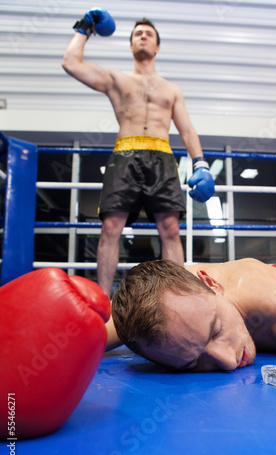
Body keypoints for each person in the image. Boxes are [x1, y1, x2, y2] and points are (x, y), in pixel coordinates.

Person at [62, 8, 214, 299]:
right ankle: (103, 304)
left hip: (162, 157)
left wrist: (201, 165)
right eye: (137, 34)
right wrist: (85, 28)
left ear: (157, 47)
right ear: (131, 44)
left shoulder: (171, 89)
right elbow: (70, 62)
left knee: (170, 229)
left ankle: (176, 301)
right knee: (110, 228)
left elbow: (187, 131)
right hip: (125, 155)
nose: (143, 36)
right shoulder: (116, 79)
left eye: (149, 34)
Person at [111, 258, 276, 371]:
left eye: (215, 331)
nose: (227, 361)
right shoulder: (162, 300)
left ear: (212, 285)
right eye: (194, 363)